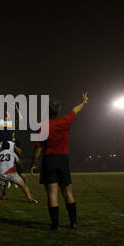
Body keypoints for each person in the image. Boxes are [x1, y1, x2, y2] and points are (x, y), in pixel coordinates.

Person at [30, 92, 88, 230]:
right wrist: (84, 102)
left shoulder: (42, 126)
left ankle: (55, 225)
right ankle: (73, 222)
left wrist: (33, 163)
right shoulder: (65, 120)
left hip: (49, 160)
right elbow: (75, 110)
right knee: (68, 193)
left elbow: (38, 148)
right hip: (63, 159)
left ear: (46, 110)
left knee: (52, 193)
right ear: (59, 109)